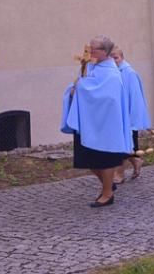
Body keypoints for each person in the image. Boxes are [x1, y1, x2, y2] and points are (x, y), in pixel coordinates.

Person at [61, 35, 132, 207]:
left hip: (104, 125)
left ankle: (107, 194)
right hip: (88, 122)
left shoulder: (112, 74)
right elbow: (81, 85)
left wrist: (81, 88)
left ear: (105, 52)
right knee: (88, 159)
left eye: (93, 49)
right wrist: (74, 90)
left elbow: (108, 98)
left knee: (104, 159)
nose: (89, 51)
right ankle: (108, 185)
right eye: (89, 47)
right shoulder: (90, 67)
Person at [111, 46, 151, 183]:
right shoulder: (112, 72)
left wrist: (133, 118)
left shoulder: (129, 73)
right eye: (111, 58)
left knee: (125, 144)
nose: (114, 61)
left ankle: (119, 173)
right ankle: (135, 161)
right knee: (124, 145)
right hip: (117, 116)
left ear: (122, 57)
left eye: (116, 58)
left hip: (128, 116)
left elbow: (135, 97)